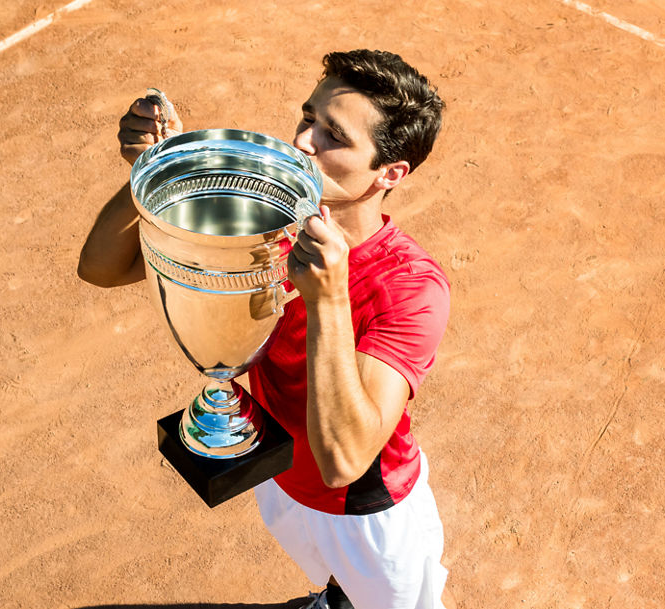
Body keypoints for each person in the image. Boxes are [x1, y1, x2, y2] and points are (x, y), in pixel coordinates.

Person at [78, 49, 450, 609]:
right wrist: (155, 172)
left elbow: (344, 462)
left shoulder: (410, 287)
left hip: (368, 518)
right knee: (326, 585)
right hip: (278, 475)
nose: (303, 142)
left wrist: (328, 298)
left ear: (389, 173)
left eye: (333, 136)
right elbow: (101, 270)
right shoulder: (268, 220)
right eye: (308, 118)